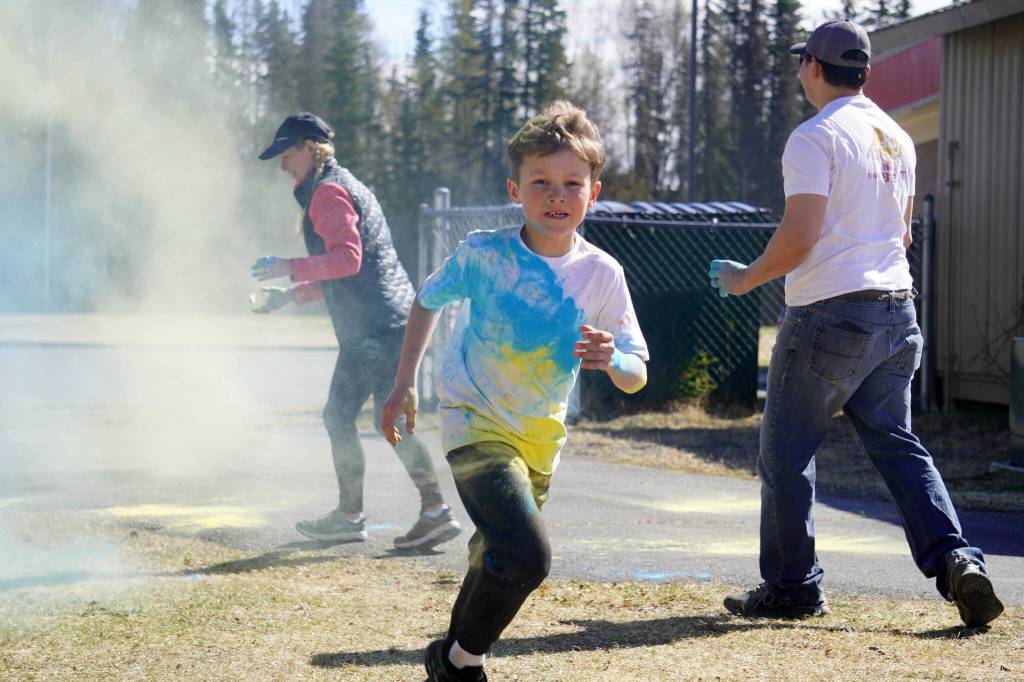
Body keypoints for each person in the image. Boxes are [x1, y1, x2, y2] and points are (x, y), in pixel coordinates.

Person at [709, 20, 1003, 628]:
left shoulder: (815, 136)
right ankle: (957, 562)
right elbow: (903, 232)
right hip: (898, 312)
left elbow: (800, 236)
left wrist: (746, 277)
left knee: (785, 458)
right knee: (898, 447)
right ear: (863, 72)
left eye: (801, 64)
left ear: (813, 68)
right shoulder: (896, 136)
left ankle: (792, 587)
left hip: (830, 316)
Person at [380, 101, 649, 681]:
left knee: (493, 556)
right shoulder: (484, 253)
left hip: (539, 441)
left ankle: (449, 657)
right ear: (515, 188)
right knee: (528, 556)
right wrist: (403, 385)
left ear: (593, 192)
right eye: (541, 183)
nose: (557, 196)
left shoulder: (603, 273)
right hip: (474, 423)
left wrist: (614, 358)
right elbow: (427, 300)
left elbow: (637, 371)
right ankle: (466, 665)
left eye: (571, 184)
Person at [251, 112, 461, 552]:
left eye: (287, 155)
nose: (283, 165)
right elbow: (345, 274)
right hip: (385, 321)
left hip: (373, 327)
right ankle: (430, 511)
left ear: (310, 148)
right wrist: (289, 295)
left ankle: (360, 515)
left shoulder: (328, 192)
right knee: (387, 420)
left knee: (345, 417)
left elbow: (348, 260)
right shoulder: (340, 184)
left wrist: (289, 268)